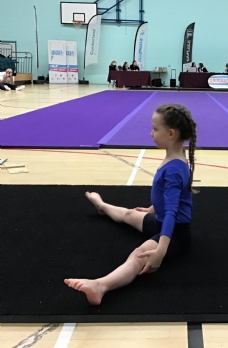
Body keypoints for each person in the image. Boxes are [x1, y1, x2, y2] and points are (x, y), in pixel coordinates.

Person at [64, 103, 197, 306]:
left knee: (138, 255)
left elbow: (172, 212)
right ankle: (102, 206)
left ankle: (100, 286)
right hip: (161, 220)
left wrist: (161, 250)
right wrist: (152, 209)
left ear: (171, 134)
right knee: (129, 214)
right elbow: (172, 198)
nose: (151, 133)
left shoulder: (174, 169)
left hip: (174, 233)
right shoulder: (174, 158)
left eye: (155, 129)